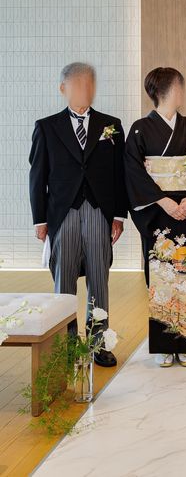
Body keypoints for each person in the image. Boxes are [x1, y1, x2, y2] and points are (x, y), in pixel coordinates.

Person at [29, 62, 127, 367]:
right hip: (62, 213)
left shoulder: (112, 125)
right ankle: (67, 345)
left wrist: (119, 215)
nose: (85, 89)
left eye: (89, 84)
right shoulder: (46, 127)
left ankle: (99, 343)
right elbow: (37, 176)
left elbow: (119, 173)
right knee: (64, 281)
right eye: (78, 84)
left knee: (99, 278)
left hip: (99, 211)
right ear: (63, 88)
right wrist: (40, 220)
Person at [125, 67, 186, 368]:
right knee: (161, 275)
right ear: (172, 90)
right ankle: (164, 344)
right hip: (158, 213)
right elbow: (133, 172)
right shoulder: (139, 129)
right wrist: (162, 200)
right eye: (181, 87)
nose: (182, 92)